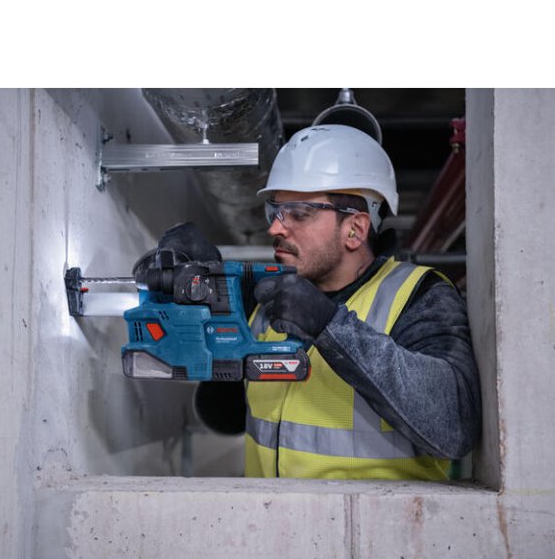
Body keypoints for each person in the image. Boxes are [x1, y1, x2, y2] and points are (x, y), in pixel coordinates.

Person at [162, 124, 481, 480]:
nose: (276, 228)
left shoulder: (418, 296)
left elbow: (454, 427)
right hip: (267, 515)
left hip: (379, 517)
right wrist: (209, 297)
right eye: (275, 211)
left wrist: (330, 326)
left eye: (299, 213)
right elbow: (223, 415)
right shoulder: (268, 298)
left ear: (355, 229)